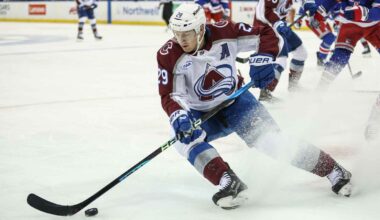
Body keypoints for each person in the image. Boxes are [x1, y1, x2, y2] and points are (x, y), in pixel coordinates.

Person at [157, 3, 352, 209]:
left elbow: (267, 34)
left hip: (238, 103)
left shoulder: (226, 32)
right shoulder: (168, 55)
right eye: (177, 33)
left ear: (201, 29)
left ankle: (333, 170)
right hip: (203, 113)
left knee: (273, 143)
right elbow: (170, 94)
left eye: (187, 33)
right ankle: (228, 181)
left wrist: (264, 58)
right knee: (181, 139)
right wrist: (178, 115)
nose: (181, 39)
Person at [311, 0, 380, 89]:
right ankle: (321, 88)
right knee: (340, 57)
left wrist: (362, 13)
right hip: (350, 24)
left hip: (374, 25)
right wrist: (318, 15)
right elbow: (330, 2)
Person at [254, 0, 309, 101]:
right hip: (266, 28)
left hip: (280, 26)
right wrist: (277, 23)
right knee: (281, 59)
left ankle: (293, 86)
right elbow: (262, 10)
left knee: (301, 53)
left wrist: (309, 4)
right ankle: (265, 91)